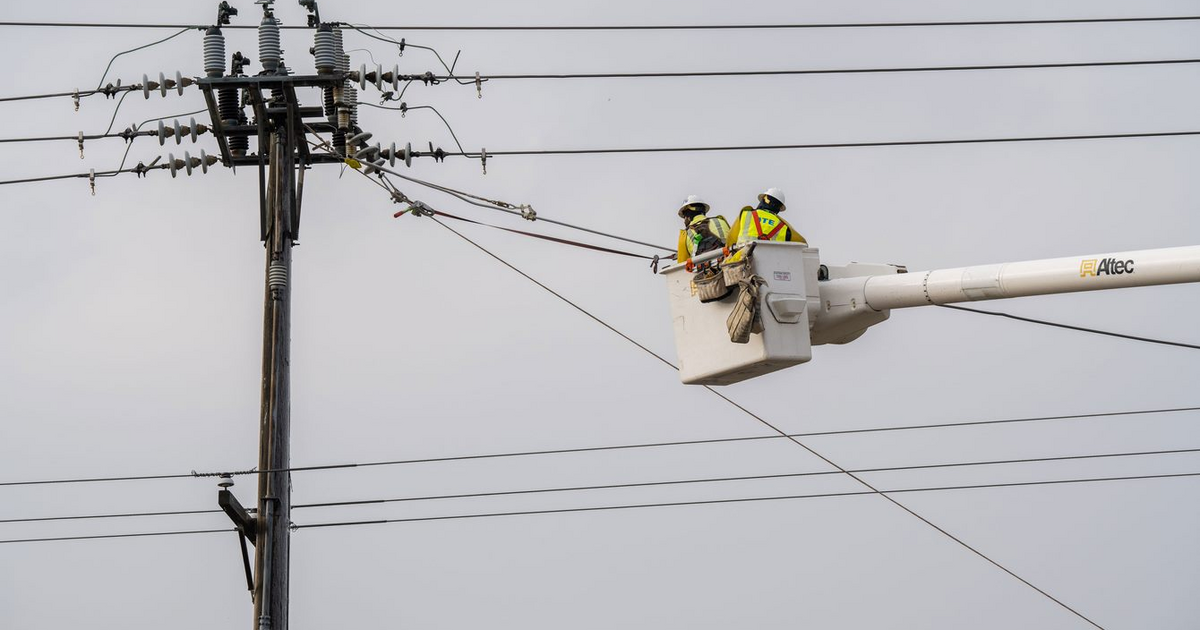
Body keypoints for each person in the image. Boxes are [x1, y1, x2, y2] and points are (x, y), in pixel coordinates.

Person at [725, 188, 806, 257]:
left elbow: (731, 238)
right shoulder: (784, 227)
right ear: (779, 208)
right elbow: (802, 244)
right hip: (772, 264)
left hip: (742, 259)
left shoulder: (746, 214)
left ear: (764, 199)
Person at [675, 195, 731, 263]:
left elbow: (682, 265)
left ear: (688, 216)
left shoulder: (685, 235)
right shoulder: (720, 221)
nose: (684, 221)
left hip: (704, 271)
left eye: (684, 217)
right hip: (729, 262)